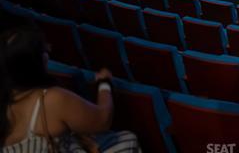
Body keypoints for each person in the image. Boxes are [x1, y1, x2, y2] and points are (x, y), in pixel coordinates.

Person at [0, 26, 139, 152]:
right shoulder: (52, 99)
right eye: (42, 52)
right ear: (34, 64)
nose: (47, 54)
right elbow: (103, 119)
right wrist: (104, 84)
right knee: (127, 139)